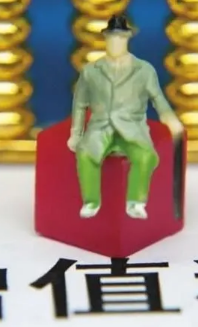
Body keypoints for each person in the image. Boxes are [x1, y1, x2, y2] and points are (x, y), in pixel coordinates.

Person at [68, 14, 184, 220]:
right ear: (105, 38)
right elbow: (80, 104)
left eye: (120, 37)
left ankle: (136, 201)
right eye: (112, 37)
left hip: (132, 128)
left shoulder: (144, 70)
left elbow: (157, 98)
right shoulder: (90, 71)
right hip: (100, 128)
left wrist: (169, 118)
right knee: (85, 155)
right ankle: (91, 201)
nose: (116, 42)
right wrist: (76, 134)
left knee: (146, 156)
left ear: (128, 39)